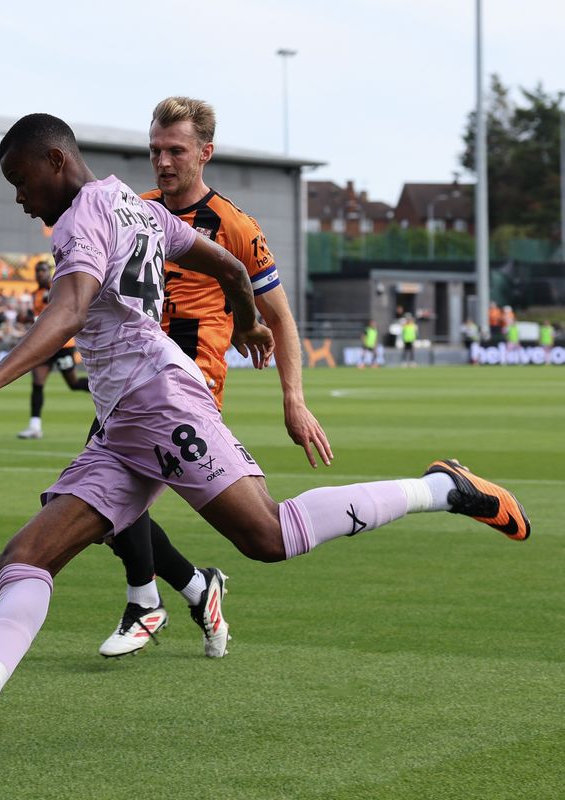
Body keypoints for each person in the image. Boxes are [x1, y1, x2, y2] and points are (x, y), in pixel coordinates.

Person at [0, 114, 530, 769]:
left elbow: (69, 308)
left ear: (57, 162)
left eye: (20, 180)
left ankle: (443, 487)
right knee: (26, 556)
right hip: (123, 421)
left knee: (268, 536)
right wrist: (243, 314)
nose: (18, 196)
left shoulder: (83, 218)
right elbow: (228, 267)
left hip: (156, 399)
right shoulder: (137, 207)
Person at [96, 96, 330, 659]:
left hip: (188, 387)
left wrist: (293, 399)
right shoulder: (137, 210)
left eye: (175, 150)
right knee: (98, 505)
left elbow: (281, 320)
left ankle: (151, 601)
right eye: (155, 150)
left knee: (100, 502)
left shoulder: (235, 227)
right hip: (133, 378)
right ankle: (196, 591)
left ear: (206, 152)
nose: (163, 161)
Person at [15, 260, 90, 439]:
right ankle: (35, 426)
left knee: (73, 384)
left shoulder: (57, 288)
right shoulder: (35, 294)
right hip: (45, 344)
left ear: (48, 272)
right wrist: (27, 319)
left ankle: (104, 387)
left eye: (42, 270)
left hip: (63, 344)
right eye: (37, 271)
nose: (39, 274)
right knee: (37, 382)